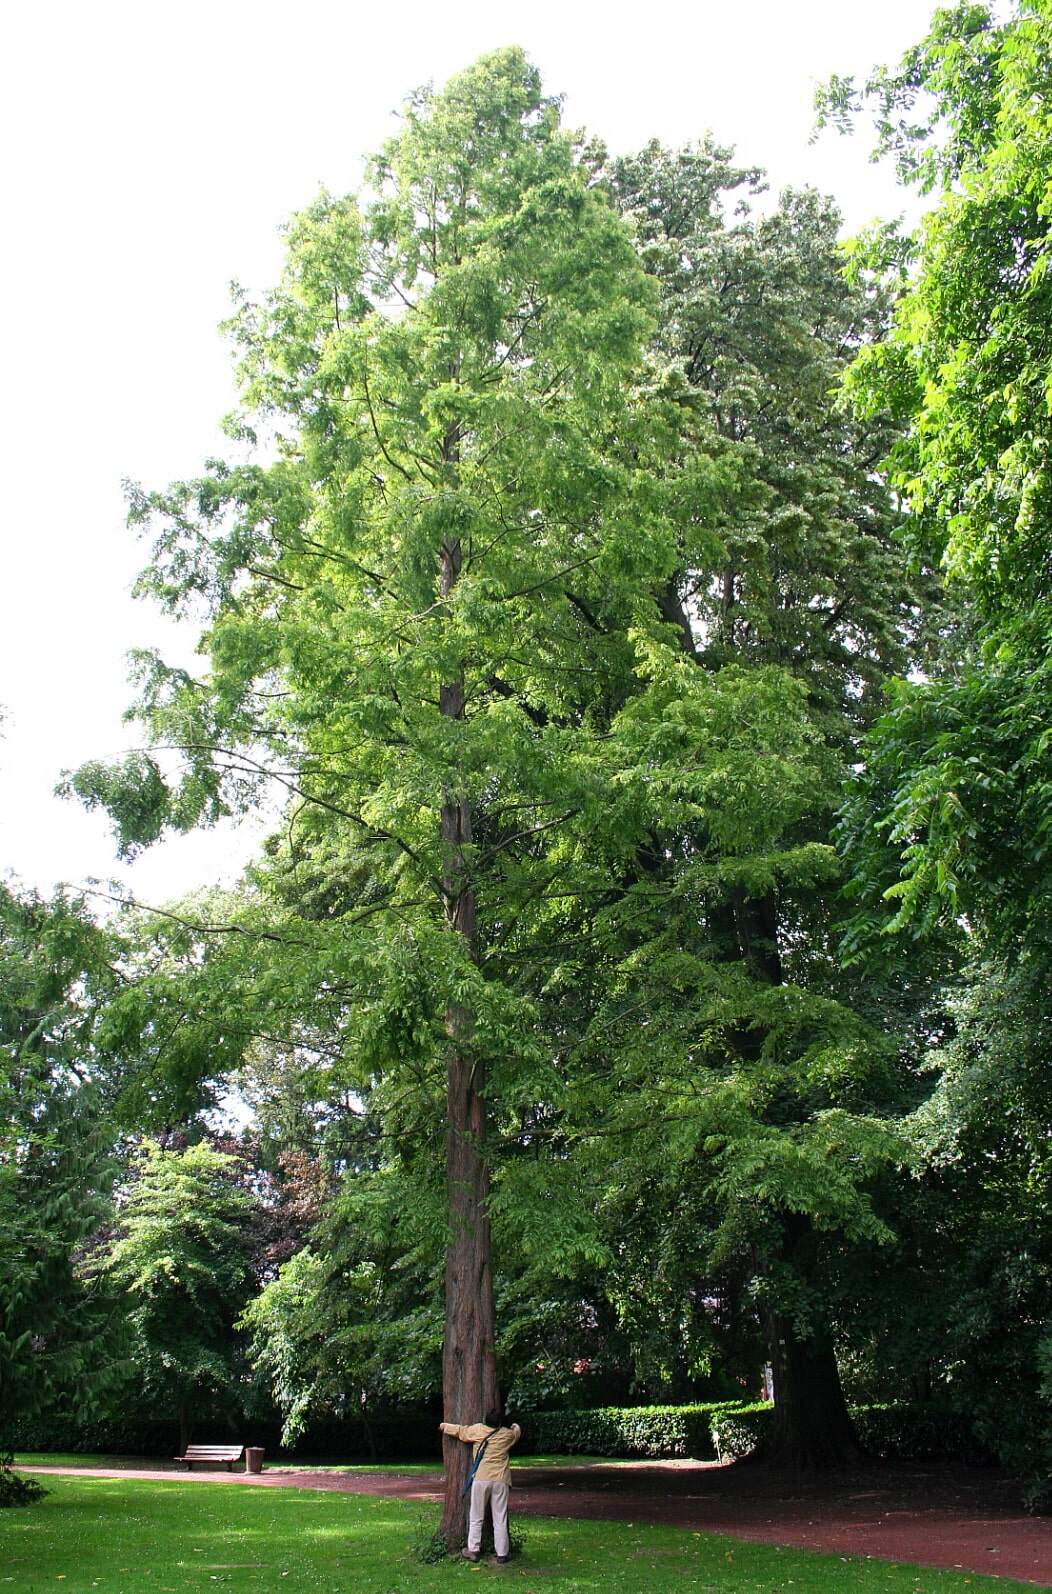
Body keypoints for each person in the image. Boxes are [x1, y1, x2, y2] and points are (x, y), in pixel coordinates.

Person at [439, 1406, 522, 1563]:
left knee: (476, 1515)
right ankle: (502, 1554)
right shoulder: (507, 1435)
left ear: (486, 1419)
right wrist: (515, 1426)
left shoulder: (477, 1430)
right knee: (500, 1517)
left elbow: (461, 1431)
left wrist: (444, 1426)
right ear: (500, 1422)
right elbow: (517, 1432)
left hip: (481, 1478)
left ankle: (473, 1549)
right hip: (500, 1480)